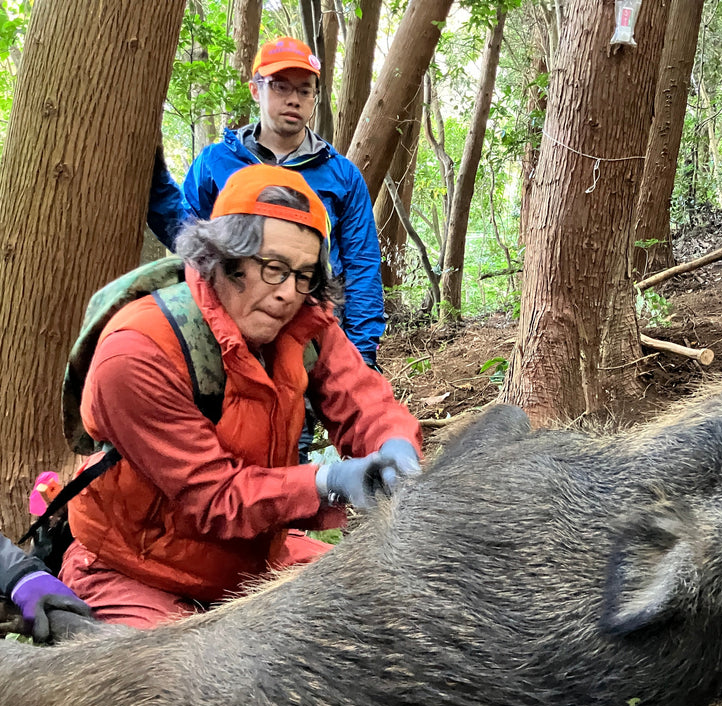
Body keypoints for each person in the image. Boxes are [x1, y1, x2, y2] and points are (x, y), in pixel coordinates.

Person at [2, 164, 421, 635]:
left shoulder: (306, 323)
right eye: (273, 268)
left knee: (390, 614)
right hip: (134, 570)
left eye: (305, 275)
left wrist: (397, 447)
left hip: (255, 558)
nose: (288, 294)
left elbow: (366, 404)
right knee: (185, 693)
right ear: (222, 257)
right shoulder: (138, 352)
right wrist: (329, 481)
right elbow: (216, 496)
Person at [147, 36, 385, 369]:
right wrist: (157, 186)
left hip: (310, 335)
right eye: (280, 87)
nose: (294, 100)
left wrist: (362, 356)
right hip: (229, 334)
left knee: (296, 419)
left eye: (305, 90)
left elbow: (362, 266)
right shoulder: (216, 162)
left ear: (315, 97)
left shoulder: (341, 175)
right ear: (256, 90)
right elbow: (189, 238)